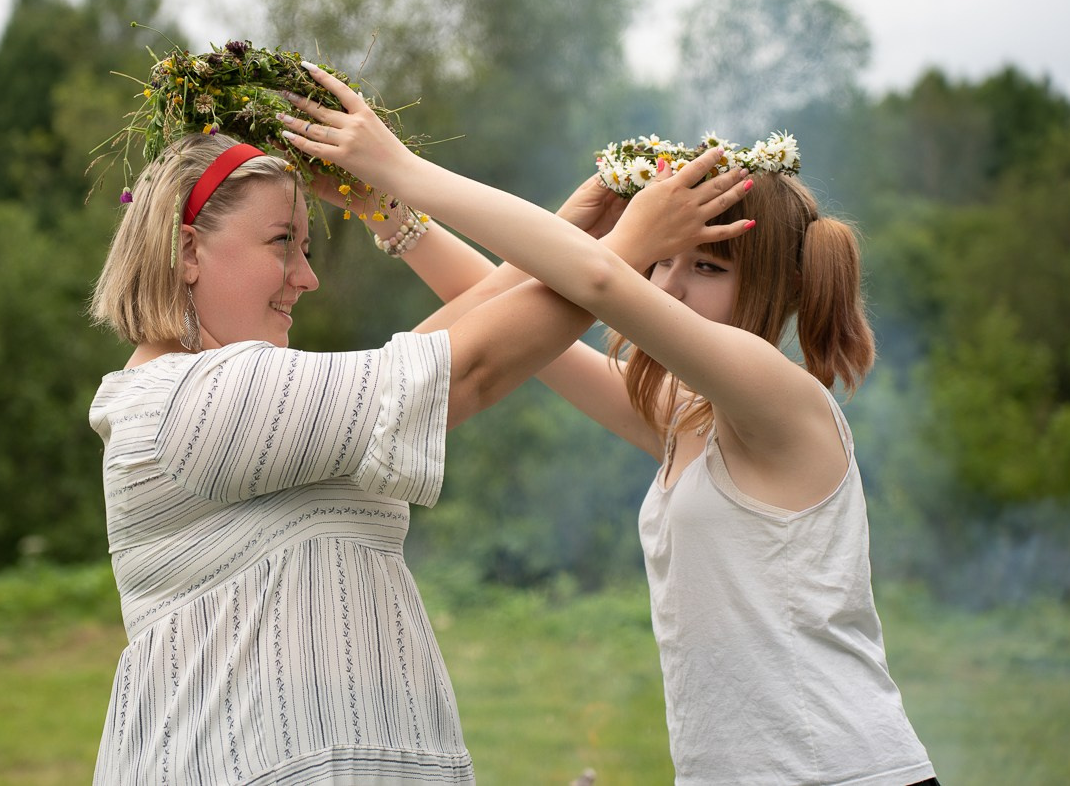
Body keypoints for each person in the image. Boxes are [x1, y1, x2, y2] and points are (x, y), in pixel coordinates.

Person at [279, 61, 939, 785]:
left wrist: (402, 166)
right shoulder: (692, 417)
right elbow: (530, 327)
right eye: (664, 259)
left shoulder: (778, 397)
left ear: (775, 285)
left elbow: (596, 280)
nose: (671, 285)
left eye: (709, 268)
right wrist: (384, 208)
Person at [85, 129, 752, 784]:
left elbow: (429, 355)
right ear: (186, 251)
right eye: (283, 241)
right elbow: (466, 369)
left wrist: (571, 234)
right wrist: (627, 247)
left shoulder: (226, 400)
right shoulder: (197, 399)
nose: (307, 277)